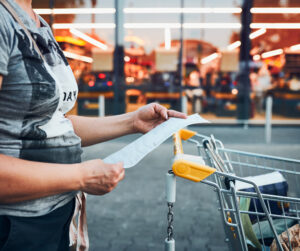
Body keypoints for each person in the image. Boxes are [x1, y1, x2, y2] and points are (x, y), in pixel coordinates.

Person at [0, 0, 187, 250]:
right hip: (15, 225)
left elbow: (53, 124)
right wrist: (81, 175)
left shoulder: (37, 22)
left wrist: (132, 121)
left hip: (56, 215)